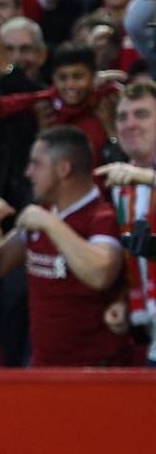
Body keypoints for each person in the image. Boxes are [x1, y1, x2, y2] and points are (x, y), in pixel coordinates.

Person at [0, 126, 130, 366]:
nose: (28, 173)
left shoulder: (102, 217)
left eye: (36, 164)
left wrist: (52, 225)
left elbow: (100, 274)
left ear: (63, 169)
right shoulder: (42, 215)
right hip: (44, 368)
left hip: (95, 373)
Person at [93, 81, 156, 366]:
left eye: (141, 115)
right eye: (122, 117)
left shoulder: (132, 178)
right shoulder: (121, 186)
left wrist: (145, 177)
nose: (130, 124)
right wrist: (123, 300)